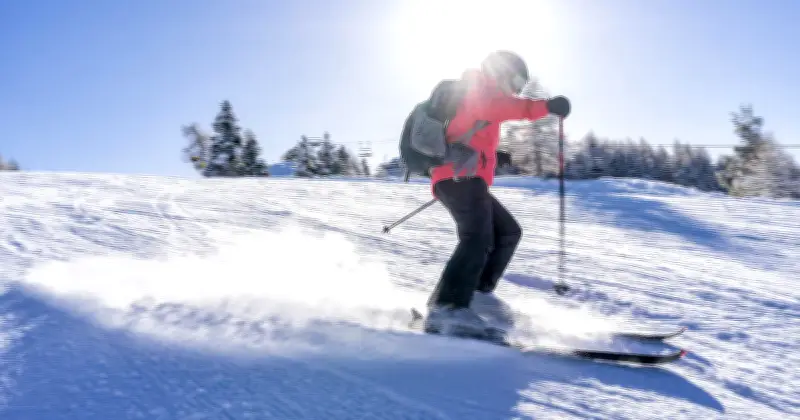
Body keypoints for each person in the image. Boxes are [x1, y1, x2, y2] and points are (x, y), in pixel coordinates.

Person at [423, 50, 571, 336]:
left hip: (466, 176)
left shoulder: (483, 95)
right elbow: (498, 109)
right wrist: (545, 106)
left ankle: (476, 294)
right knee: (476, 237)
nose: (516, 88)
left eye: (521, 85)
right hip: (458, 177)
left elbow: (471, 128)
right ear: (498, 71)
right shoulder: (477, 89)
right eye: (515, 80)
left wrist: (493, 155)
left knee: (507, 232)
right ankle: (447, 309)